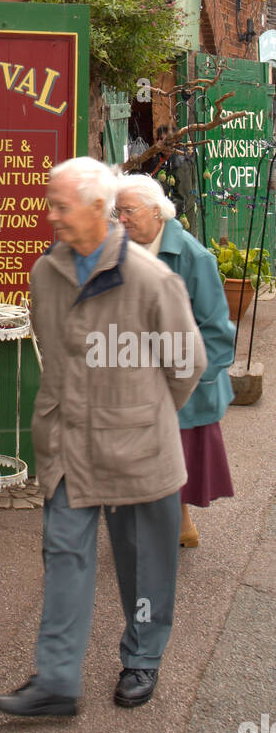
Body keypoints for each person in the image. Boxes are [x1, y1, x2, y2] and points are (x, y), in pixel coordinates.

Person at [0, 157, 205, 718]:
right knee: (64, 554)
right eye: (49, 203)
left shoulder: (151, 278)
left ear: (96, 208)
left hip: (138, 449)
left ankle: (143, 657)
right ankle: (58, 682)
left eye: (61, 205)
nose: (51, 215)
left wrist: (144, 413)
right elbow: (54, 351)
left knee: (143, 564)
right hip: (68, 442)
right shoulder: (45, 273)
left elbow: (186, 365)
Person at [114, 172, 235, 548]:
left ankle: (163, 529)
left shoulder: (194, 258)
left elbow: (216, 332)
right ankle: (174, 525)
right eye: (118, 211)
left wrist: (187, 384)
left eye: (129, 211)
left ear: (157, 212)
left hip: (182, 385)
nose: (121, 219)